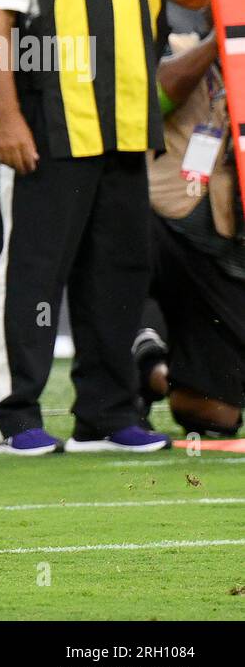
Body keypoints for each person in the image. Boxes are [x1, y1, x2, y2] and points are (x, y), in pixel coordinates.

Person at [0, 0, 207, 456]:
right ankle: (14, 413)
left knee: (119, 272)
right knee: (31, 273)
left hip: (127, 128)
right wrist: (10, 118)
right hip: (47, 128)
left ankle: (107, 412)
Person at [134, 28, 245, 439]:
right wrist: (224, 37)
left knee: (214, 415)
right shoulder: (179, 46)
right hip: (162, 221)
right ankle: (134, 369)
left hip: (224, 249)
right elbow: (156, 97)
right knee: (114, 239)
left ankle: (159, 375)